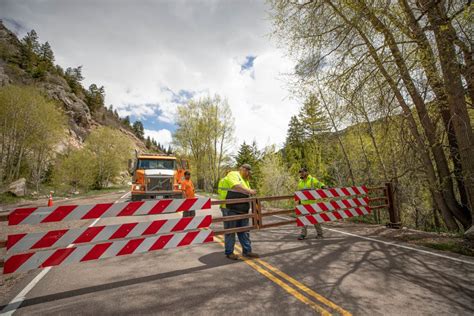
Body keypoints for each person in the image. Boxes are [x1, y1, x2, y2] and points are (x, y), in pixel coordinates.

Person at [218, 164, 259, 260]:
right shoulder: (233, 174)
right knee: (230, 231)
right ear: (241, 169)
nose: (248, 173)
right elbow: (236, 186)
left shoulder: (245, 180)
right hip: (230, 208)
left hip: (242, 209)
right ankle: (229, 252)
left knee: (244, 231)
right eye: (246, 171)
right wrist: (250, 191)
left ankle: (247, 251)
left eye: (249, 172)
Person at [297, 167, 325, 240]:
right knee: (304, 220)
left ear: (306, 172)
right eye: (300, 172)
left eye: (302, 172)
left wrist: (323, 186)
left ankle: (320, 234)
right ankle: (303, 235)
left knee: (315, 220)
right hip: (304, 204)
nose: (301, 173)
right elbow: (300, 192)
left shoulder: (312, 180)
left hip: (313, 204)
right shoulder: (300, 181)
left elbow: (319, 184)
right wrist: (299, 201)